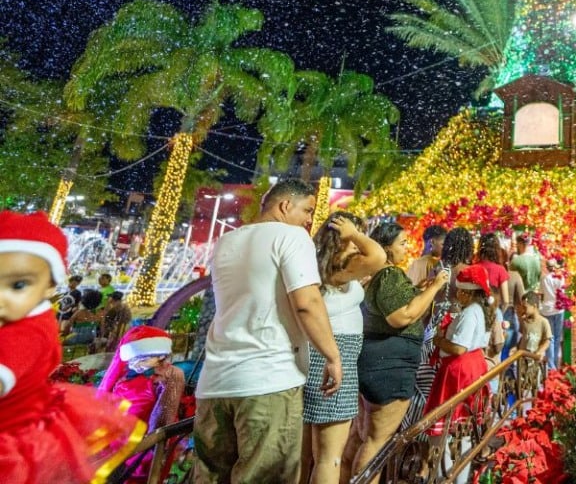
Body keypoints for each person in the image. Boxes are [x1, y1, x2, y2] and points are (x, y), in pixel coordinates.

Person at [193, 178, 343, 484]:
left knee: (210, 477)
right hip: (268, 379)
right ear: (285, 205)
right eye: (308, 210)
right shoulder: (291, 236)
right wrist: (332, 357)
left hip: (215, 383)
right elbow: (307, 303)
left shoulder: (227, 241)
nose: (310, 220)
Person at [0, 210, 144, 483]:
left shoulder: (26, 333)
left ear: (50, 287)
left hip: (10, 438)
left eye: (18, 285)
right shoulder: (20, 314)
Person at [353, 220, 450, 484]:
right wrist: (435, 287)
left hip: (379, 361)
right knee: (377, 440)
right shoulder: (388, 275)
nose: (408, 248)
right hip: (389, 367)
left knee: (363, 438)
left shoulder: (377, 275)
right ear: (386, 248)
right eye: (403, 243)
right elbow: (401, 316)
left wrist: (419, 290)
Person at [301, 212, 388, 484]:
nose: (359, 243)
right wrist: (354, 233)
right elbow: (378, 256)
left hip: (312, 353)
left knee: (302, 455)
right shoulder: (341, 265)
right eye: (354, 237)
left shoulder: (317, 263)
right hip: (336, 357)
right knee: (329, 457)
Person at [97, 325, 187, 483]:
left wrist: (154, 443)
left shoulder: (168, 375)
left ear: (161, 356)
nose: (136, 364)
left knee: (138, 475)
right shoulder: (126, 373)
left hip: (144, 440)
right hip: (118, 437)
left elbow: (164, 413)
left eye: (143, 359)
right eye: (133, 359)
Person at [425, 264, 495, 445]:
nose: (457, 294)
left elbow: (459, 348)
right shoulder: (476, 310)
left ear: (468, 293)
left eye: (460, 291)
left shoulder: (470, 313)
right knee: (463, 420)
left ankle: (446, 458)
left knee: (451, 419)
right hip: (471, 365)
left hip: (459, 370)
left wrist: (438, 341)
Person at [515, 292, 552, 388]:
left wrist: (539, 351)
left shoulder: (544, 322)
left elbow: (547, 340)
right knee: (522, 385)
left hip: (535, 359)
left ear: (534, 306)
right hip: (523, 358)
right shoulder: (524, 321)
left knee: (535, 385)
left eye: (525, 307)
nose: (523, 310)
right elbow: (523, 336)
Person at [539, 257, 567, 370]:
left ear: (547, 267)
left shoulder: (544, 278)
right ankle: (555, 362)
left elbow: (541, 294)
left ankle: (551, 365)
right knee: (557, 337)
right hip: (558, 309)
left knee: (550, 337)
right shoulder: (561, 278)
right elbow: (562, 294)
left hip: (547, 310)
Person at [510, 230, 542, 295]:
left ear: (520, 244)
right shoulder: (536, 261)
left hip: (520, 296)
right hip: (533, 295)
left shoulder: (516, 261)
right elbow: (539, 277)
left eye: (517, 244)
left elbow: (511, 280)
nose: (517, 246)